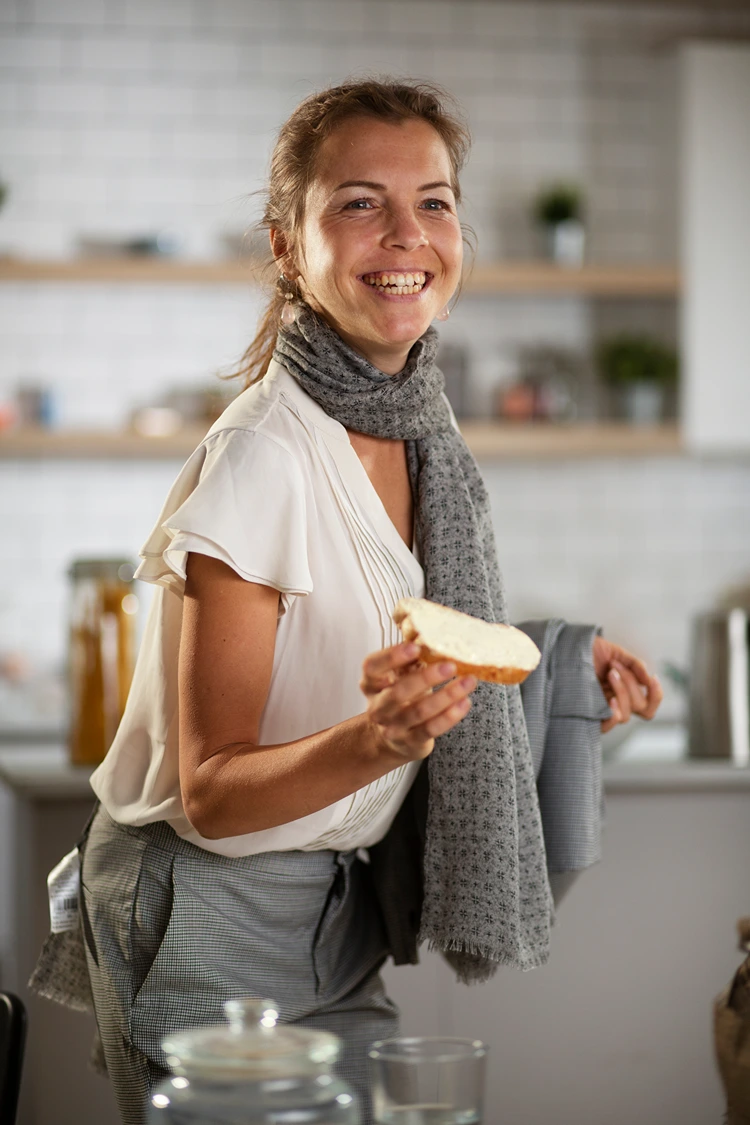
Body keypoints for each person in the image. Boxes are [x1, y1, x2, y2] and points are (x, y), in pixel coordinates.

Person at [31, 79, 662, 1125]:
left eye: (436, 200)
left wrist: (545, 660)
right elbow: (217, 789)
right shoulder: (261, 458)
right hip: (208, 905)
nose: (407, 234)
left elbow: (389, 619)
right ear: (288, 246)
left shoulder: (421, 426)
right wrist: (377, 740)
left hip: (332, 908)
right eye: (360, 202)